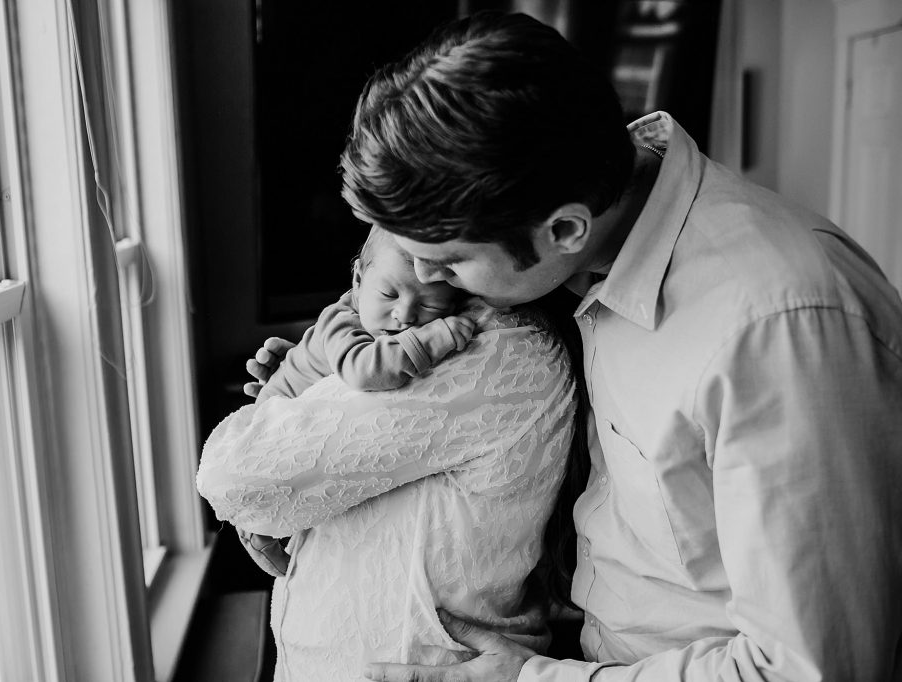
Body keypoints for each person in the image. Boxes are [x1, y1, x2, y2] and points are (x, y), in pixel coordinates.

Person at [247, 11, 902, 682]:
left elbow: (815, 669)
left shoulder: (778, 327)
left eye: (447, 265)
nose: (426, 286)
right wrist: (309, 394)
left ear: (563, 229)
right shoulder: (569, 260)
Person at [198, 223, 582, 680]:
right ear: (359, 281)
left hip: (404, 659)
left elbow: (231, 475)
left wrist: (293, 412)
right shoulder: (384, 324)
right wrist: (305, 390)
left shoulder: (496, 348)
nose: (408, 311)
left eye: (431, 292)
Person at [254, 225, 478, 404]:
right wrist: (431, 339)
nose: (405, 315)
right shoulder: (339, 321)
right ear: (358, 279)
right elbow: (362, 371)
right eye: (389, 294)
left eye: (430, 306)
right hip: (274, 409)